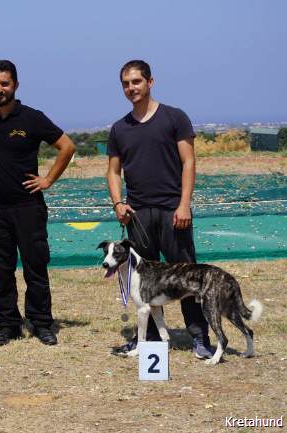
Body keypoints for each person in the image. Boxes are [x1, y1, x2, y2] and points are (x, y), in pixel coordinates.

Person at [106, 59, 214, 358]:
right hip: (138, 216)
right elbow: (113, 171)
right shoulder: (119, 128)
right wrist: (118, 202)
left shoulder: (175, 117)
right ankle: (149, 340)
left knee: (188, 278)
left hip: (173, 212)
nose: (131, 88)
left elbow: (189, 162)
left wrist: (184, 204)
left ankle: (200, 337)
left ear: (150, 82)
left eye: (136, 81)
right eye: (126, 84)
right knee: (143, 281)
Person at [0, 60, 76, 346]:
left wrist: (48, 179)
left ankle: (42, 324)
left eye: (4, 84)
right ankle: (8, 325)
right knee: (1, 272)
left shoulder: (32, 118)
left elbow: (67, 146)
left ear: (15, 85)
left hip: (29, 208)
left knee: (35, 268)